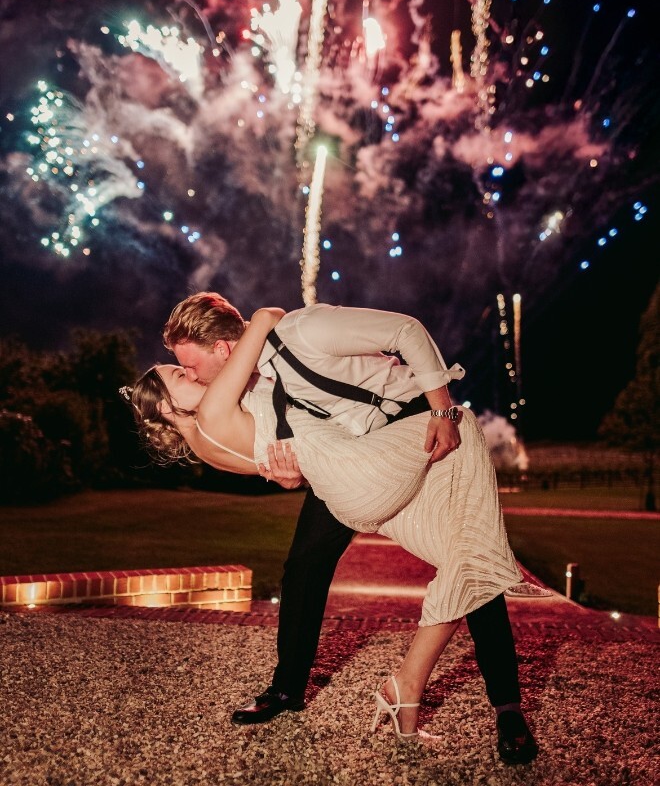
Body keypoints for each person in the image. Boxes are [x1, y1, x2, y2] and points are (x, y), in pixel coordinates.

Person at [128, 297, 538, 761]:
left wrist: (442, 410)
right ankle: (288, 689)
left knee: (468, 549)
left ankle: (506, 707)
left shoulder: (306, 331)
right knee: (306, 564)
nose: (192, 374)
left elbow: (407, 331)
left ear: (223, 348)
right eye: (182, 371)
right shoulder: (238, 389)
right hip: (354, 465)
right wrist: (285, 474)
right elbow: (274, 444)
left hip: (409, 422)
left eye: (189, 365)